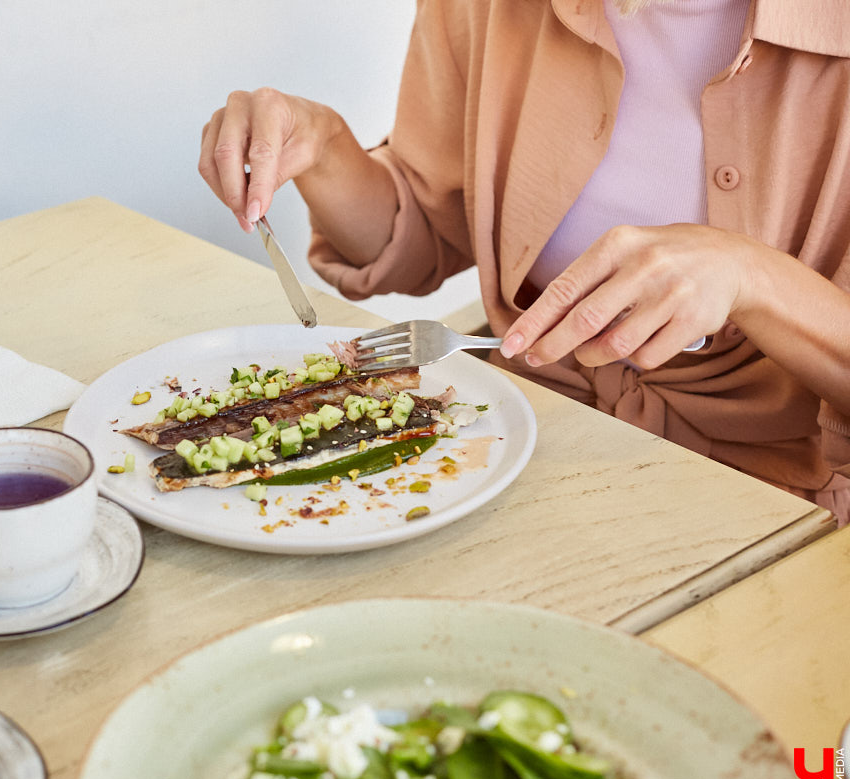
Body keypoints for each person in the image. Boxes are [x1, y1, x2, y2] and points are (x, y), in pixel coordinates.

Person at [198, 0, 850, 523]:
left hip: (774, 505)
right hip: (518, 439)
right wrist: (328, 147)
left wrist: (753, 278)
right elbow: (423, 230)